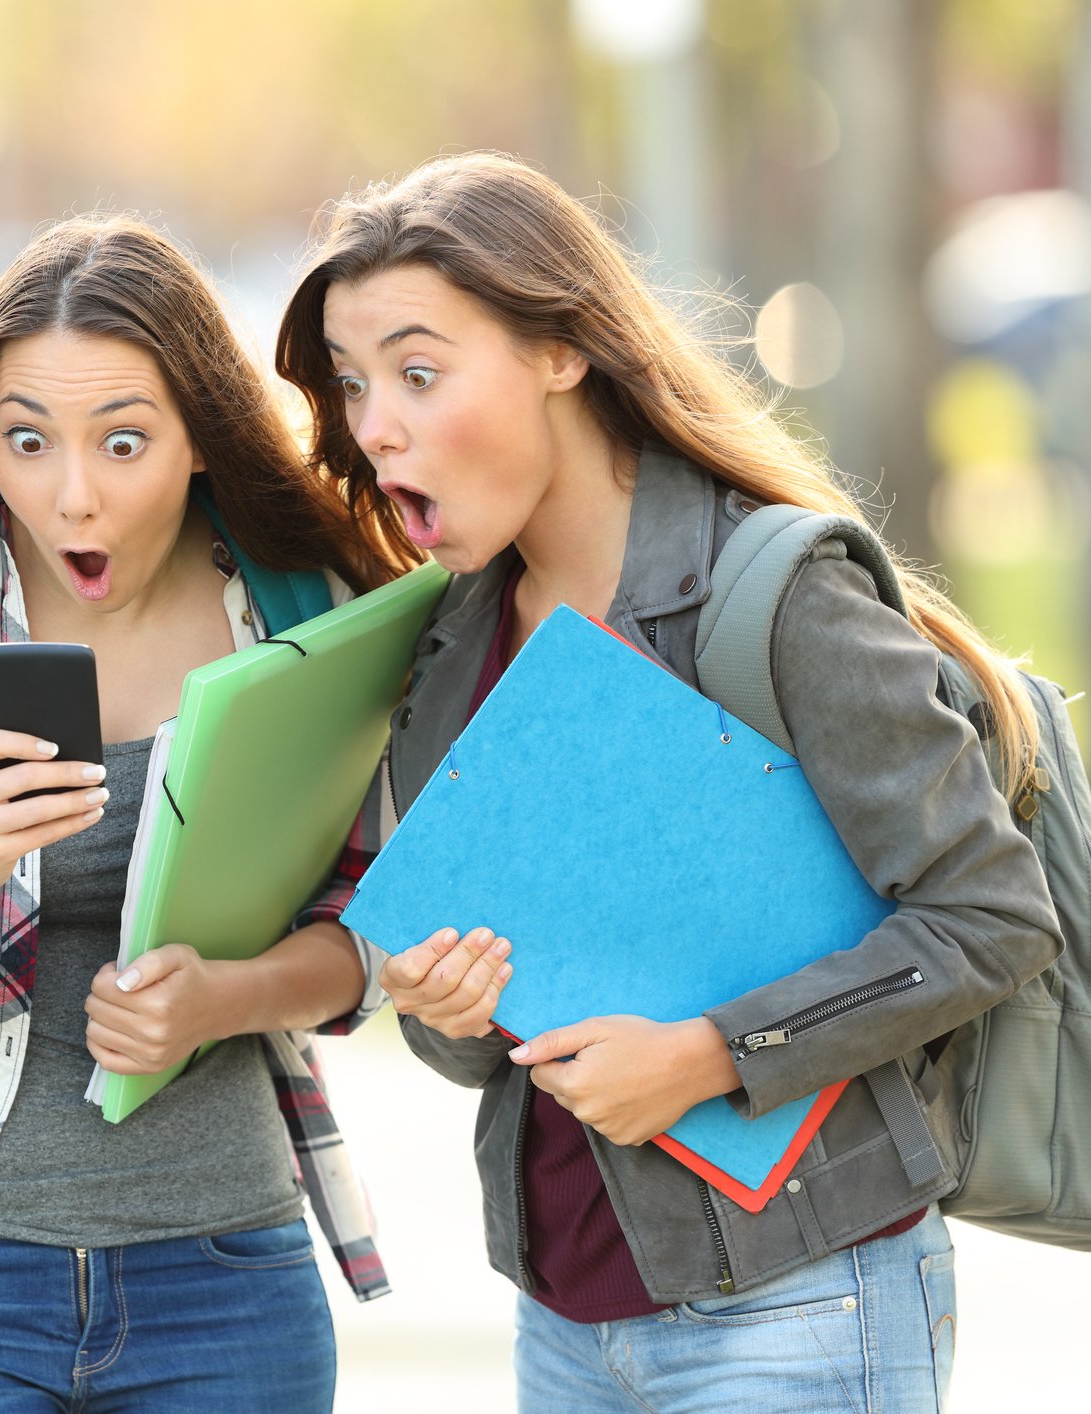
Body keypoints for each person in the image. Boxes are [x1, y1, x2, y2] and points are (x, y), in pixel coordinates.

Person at [274, 152, 1063, 1412]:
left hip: (802, 1303)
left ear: (561, 351)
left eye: (420, 374)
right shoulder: (450, 646)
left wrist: (711, 1053)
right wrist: (446, 1002)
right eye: (358, 387)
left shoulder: (773, 593)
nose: (375, 427)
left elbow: (991, 917)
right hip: (565, 1321)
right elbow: (475, 1050)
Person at [0, 215, 414, 1412]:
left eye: (126, 442)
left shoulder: (296, 599)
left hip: (222, 1267)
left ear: (202, 437)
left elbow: (375, 928)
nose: (74, 495)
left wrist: (225, 998)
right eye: (28, 442)